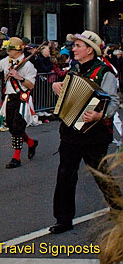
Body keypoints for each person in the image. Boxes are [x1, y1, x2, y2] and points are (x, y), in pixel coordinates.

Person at [49, 31, 122, 234]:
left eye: (77, 46)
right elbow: (69, 93)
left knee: (101, 173)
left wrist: (100, 116)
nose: (73, 49)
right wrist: (58, 86)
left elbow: (113, 101)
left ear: (89, 50)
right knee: (65, 174)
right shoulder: (75, 69)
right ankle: (63, 219)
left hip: (94, 133)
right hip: (71, 131)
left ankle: (119, 209)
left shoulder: (104, 72)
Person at [0, 37, 39, 169]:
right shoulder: (7, 61)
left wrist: (20, 77)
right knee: (12, 127)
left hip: (22, 98)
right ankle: (31, 143)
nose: (8, 51)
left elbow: (30, 85)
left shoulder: (28, 65)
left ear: (18, 50)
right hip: (9, 98)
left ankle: (16, 157)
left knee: (18, 127)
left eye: (11, 49)